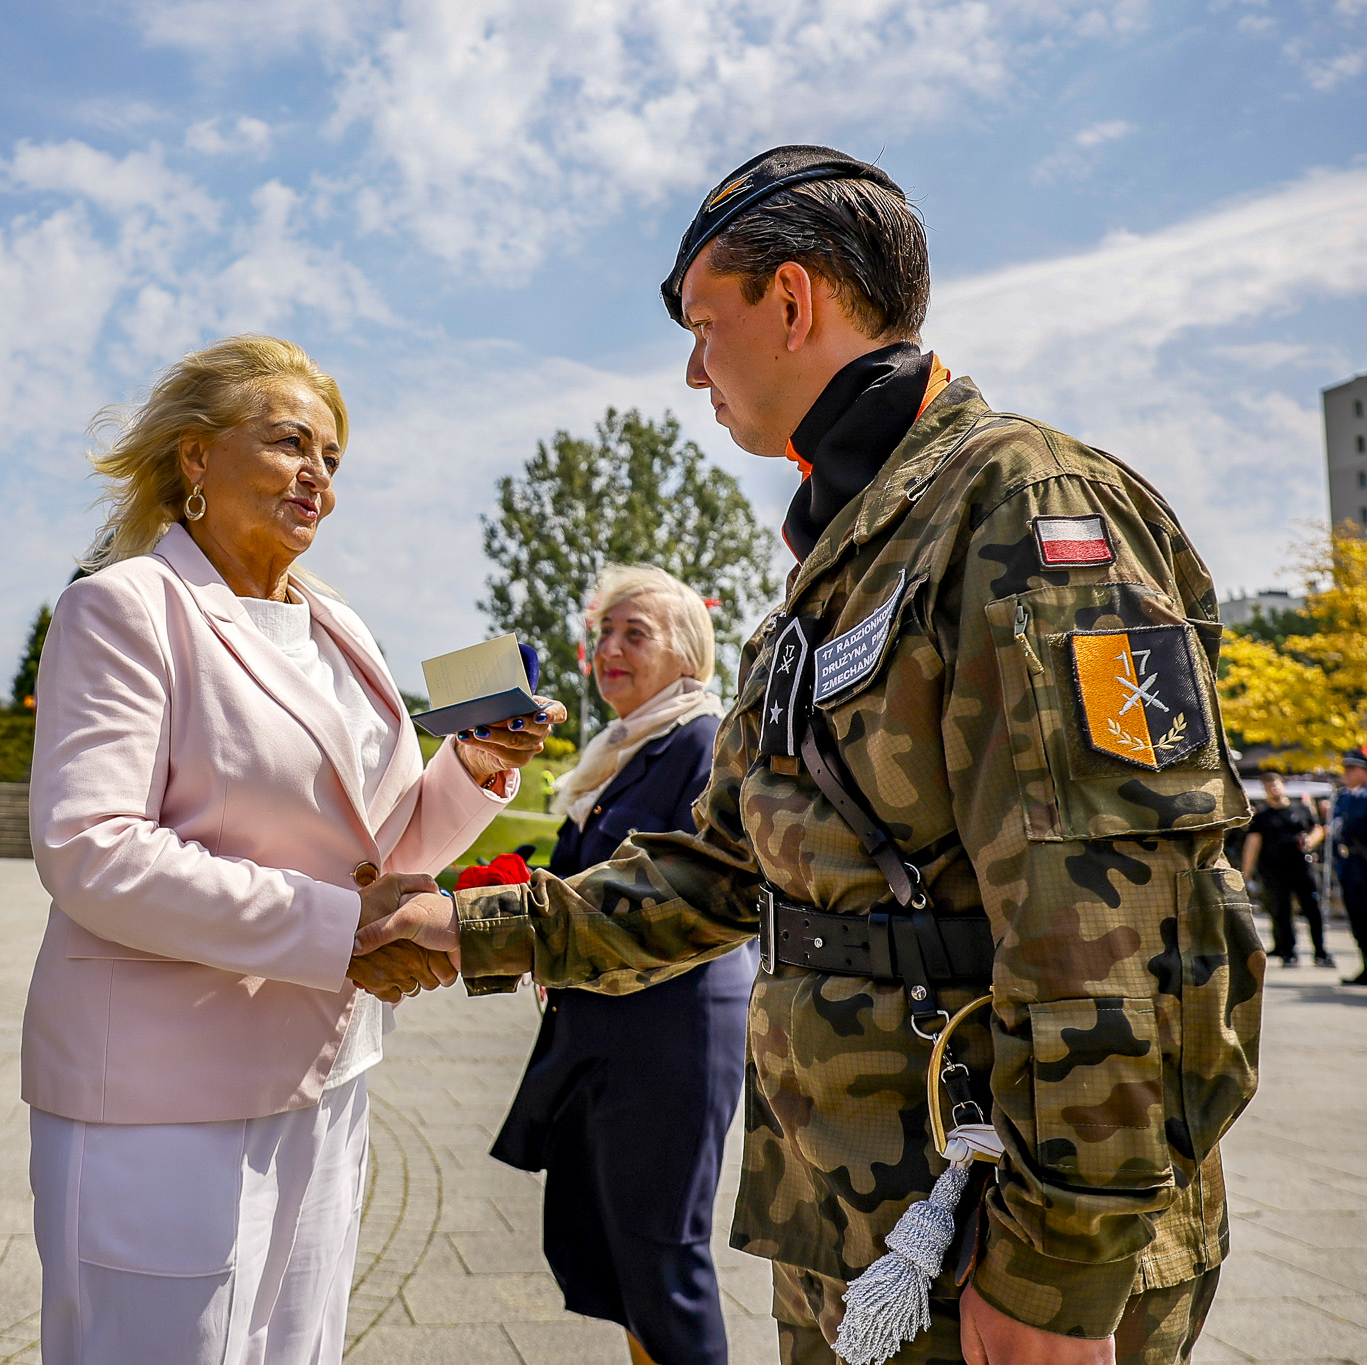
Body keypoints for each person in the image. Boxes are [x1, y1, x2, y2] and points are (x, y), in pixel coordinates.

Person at [357, 145, 1263, 1365]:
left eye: (701, 323)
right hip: (863, 1223)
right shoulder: (841, 561)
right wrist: (472, 932)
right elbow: (734, 865)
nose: (690, 370)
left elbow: (1106, 909)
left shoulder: (1020, 507)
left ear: (792, 301)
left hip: (995, 1242)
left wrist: (1061, 1269)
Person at [23, 334, 561, 1365]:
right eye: (286, 443)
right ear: (193, 458)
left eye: (331, 456)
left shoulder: (338, 626)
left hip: (331, 1068)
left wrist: (471, 768)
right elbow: (91, 851)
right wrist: (337, 933)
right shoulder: (122, 608)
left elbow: (382, 842)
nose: (316, 474)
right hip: (162, 1086)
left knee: (293, 1351)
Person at [490, 565, 753, 1365]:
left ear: (688, 654)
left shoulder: (702, 744)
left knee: (663, 1257)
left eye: (633, 633)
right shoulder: (624, 750)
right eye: (602, 632)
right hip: (612, 1034)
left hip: (666, 1037)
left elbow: (686, 894)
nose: (607, 648)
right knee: (622, 1254)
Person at [1242, 771, 1333, 968]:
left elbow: (1317, 828)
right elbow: (1253, 843)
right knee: (1281, 912)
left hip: (1302, 868)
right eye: (1268, 786)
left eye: (1275, 784)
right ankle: (1288, 952)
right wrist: (1246, 873)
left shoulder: (1301, 808)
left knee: (1312, 909)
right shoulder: (1263, 816)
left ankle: (1320, 951)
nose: (1273, 789)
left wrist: (1311, 840)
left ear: (1283, 786)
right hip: (1274, 871)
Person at [1331, 750, 1367, 984]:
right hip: (1350, 864)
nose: (1347, 773)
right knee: (1357, 918)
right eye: (1345, 768)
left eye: (1352, 769)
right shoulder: (1343, 797)